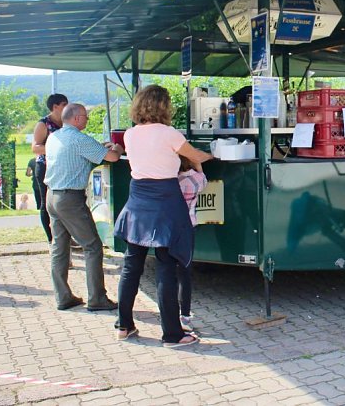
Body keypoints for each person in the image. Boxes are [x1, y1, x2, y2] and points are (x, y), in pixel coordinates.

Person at [114, 85, 213, 348]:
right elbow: (196, 156)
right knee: (166, 267)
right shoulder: (169, 133)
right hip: (165, 202)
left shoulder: (130, 134)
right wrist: (214, 154)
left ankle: (124, 325)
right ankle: (172, 334)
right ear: (164, 106)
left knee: (131, 266)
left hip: (137, 201)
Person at [44, 103, 124, 312]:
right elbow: (113, 157)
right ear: (77, 118)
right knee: (93, 246)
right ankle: (97, 298)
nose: (87, 120)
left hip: (52, 195)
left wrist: (99, 148)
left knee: (59, 247)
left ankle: (63, 297)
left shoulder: (54, 137)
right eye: (86, 117)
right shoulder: (79, 139)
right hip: (71, 198)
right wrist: (116, 148)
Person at [176, 156, 208, 332]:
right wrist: (198, 162)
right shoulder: (198, 179)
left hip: (171, 226)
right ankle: (185, 313)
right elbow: (204, 179)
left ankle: (170, 311)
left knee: (168, 272)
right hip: (189, 225)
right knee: (185, 272)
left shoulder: (172, 180)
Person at [32, 93, 68, 243]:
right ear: (55, 107)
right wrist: (55, 148)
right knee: (46, 204)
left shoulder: (67, 123)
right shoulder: (43, 124)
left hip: (63, 167)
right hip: (45, 167)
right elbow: (35, 148)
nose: (67, 107)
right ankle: (51, 238)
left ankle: (64, 237)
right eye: (64, 104)